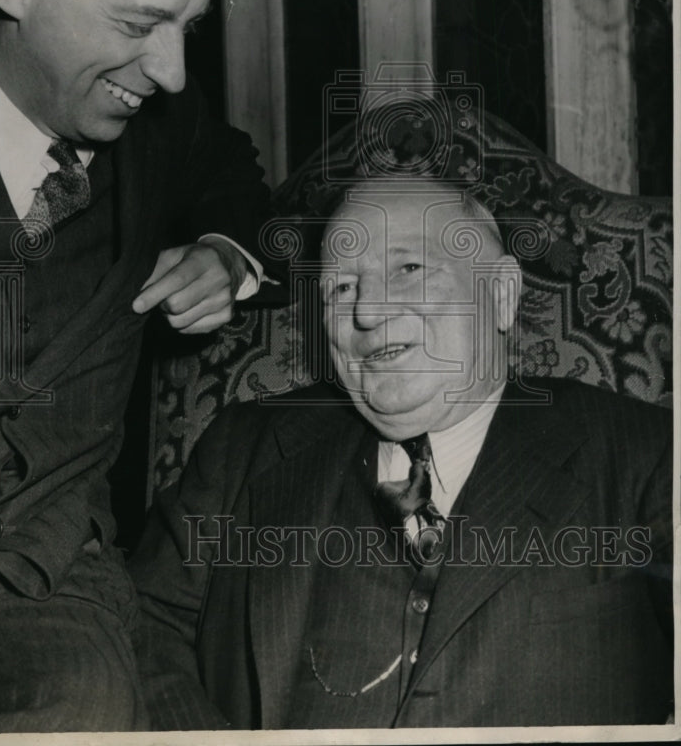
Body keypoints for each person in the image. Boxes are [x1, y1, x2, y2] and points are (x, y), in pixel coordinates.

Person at [0, 0, 274, 733]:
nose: (173, 73)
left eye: (188, 28)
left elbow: (236, 175)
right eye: (140, 24)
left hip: (62, 590)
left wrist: (228, 255)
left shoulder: (157, 138)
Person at [131, 179, 673, 729]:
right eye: (340, 288)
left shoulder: (647, 453)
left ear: (501, 292)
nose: (367, 311)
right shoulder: (241, 449)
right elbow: (138, 625)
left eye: (408, 269)